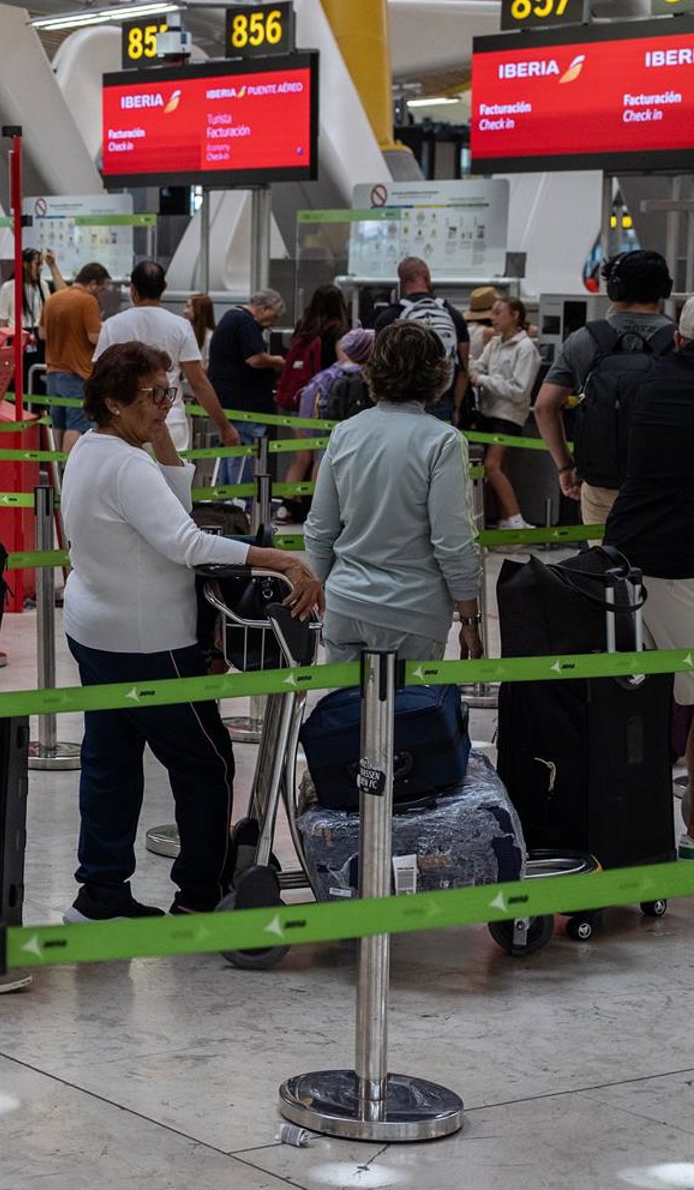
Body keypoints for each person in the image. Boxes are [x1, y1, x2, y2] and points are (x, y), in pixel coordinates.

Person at [62, 341, 320, 919]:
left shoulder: (91, 450)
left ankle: (99, 894)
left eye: (168, 392)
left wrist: (158, 436)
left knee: (111, 762)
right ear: (114, 401)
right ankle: (199, 896)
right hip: (149, 641)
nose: (165, 405)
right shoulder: (124, 464)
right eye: (153, 396)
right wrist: (280, 560)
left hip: (96, 630)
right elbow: (187, 543)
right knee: (206, 764)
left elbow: (167, 509)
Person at [304, 321, 481, 663]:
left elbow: (320, 528)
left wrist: (324, 591)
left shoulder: (344, 434)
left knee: (346, 712)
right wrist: (469, 617)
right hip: (415, 611)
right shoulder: (443, 441)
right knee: (410, 713)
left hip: (346, 604)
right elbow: (452, 540)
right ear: (437, 374)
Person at [602, 315, 694, 858]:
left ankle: (633, 823)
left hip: (624, 555)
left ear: (679, 338)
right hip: (681, 562)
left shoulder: (647, 380)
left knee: (638, 698)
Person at [534, 249, 679, 527]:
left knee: (605, 565)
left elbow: (544, 407)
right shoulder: (679, 341)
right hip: (667, 486)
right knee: (660, 568)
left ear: (614, 288)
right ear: (666, 289)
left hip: (602, 483)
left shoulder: (584, 340)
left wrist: (566, 465)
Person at [95, 260, 238, 452]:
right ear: (163, 288)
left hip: (124, 424)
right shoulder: (180, 326)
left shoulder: (112, 325)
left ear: (133, 290)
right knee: (172, 480)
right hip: (169, 420)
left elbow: (98, 378)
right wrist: (224, 426)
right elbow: (198, 383)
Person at [468, 294, 542, 530]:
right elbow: (479, 367)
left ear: (515, 315)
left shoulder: (526, 349)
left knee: (491, 466)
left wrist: (483, 380)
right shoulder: (495, 343)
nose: (493, 317)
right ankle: (504, 521)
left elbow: (519, 391)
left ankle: (517, 521)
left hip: (508, 416)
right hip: (488, 412)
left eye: (498, 312)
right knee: (499, 467)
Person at [272, 285, 349, 507]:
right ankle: (316, 507)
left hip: (300, 401)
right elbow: (344, 366)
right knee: (321, 457)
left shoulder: (304, 328)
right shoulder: (337, 332)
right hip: (323, 404)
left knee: (301, 457)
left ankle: (287, 505)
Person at [367, 256, 469, 423]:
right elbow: (464, 369)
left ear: (402, 281)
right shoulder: (453, 315)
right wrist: (456, 407)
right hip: (442, 400)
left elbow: (378, 365)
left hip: (400, 402)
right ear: (427, 277)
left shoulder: (389, 317)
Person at [205, 289, 286, 497]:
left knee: (230, 452)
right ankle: (242, 502)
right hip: (246, 405)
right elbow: (255, 359)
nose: (272, 323)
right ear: (264, 308)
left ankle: (228, 501)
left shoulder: (231, 317)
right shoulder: (246, 323)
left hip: (228, 401)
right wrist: (278, 361)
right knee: (244, 456)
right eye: (273, 316)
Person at [38, 261, 111, 452]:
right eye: (101, 289)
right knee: (77, 426)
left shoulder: (53, 298)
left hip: (52, 373)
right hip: (77, 374)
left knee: (57, 425)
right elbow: (94, 337)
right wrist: (107, 329)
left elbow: (42, 334)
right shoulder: (88, 301)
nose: (100, 293)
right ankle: (69, 473)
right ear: (93, 284)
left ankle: (56, 472)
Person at [0, 248, 55, 353]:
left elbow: (49, 314)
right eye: (37, 264)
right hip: (16, 336)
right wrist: (4, 351)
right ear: (25, 264)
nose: (41, 268)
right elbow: (3, 322)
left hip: (39, 338)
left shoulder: (43, 286)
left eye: (42, 265)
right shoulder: (8, 287)